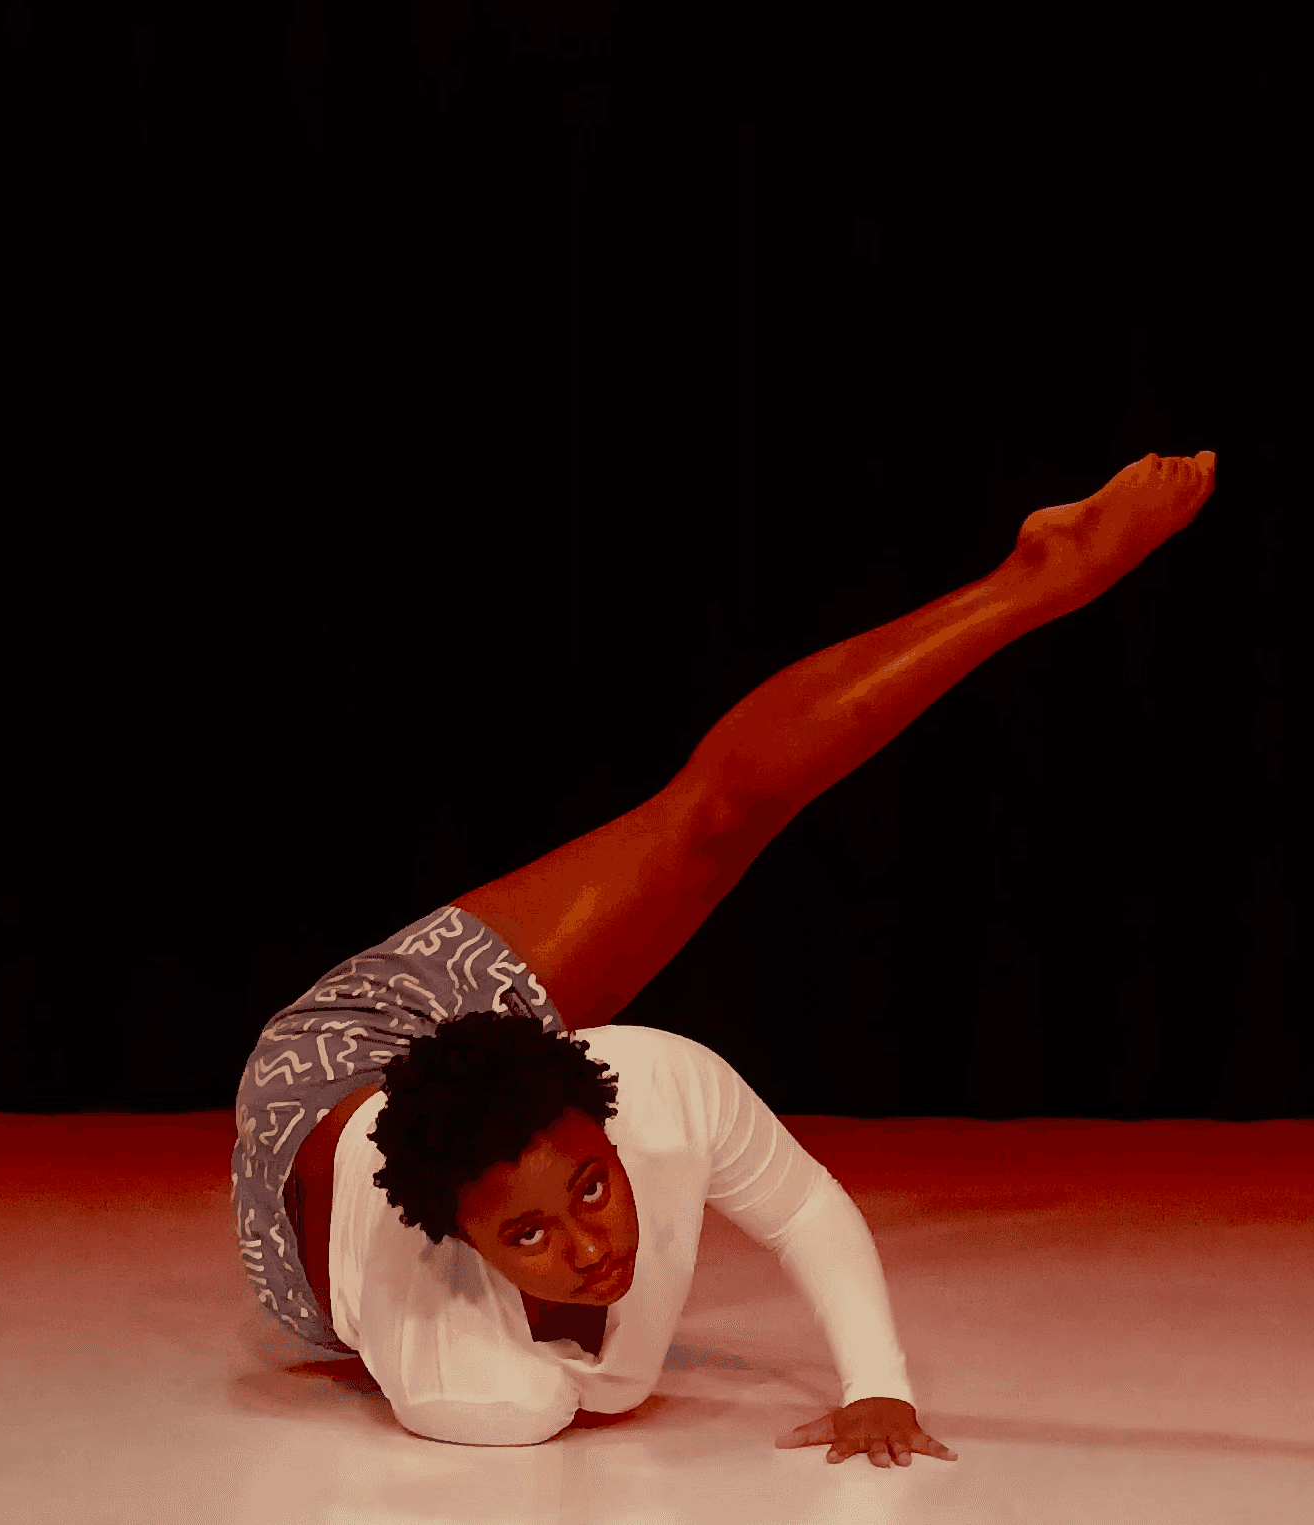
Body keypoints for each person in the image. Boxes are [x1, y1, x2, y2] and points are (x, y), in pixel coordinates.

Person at [232, 451, 1219, 1464]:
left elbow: (797, 1208)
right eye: (527, 1235)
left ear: (602, 1106)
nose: (593, 1245)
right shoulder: (455, 1365)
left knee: (708, 820)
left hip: (340, 1045)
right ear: (455, 1236)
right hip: (329, 1157)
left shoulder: (655, 1084)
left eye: (591, 1187)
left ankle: (1038, 577)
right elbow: (596, 1392)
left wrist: (877, 1382)